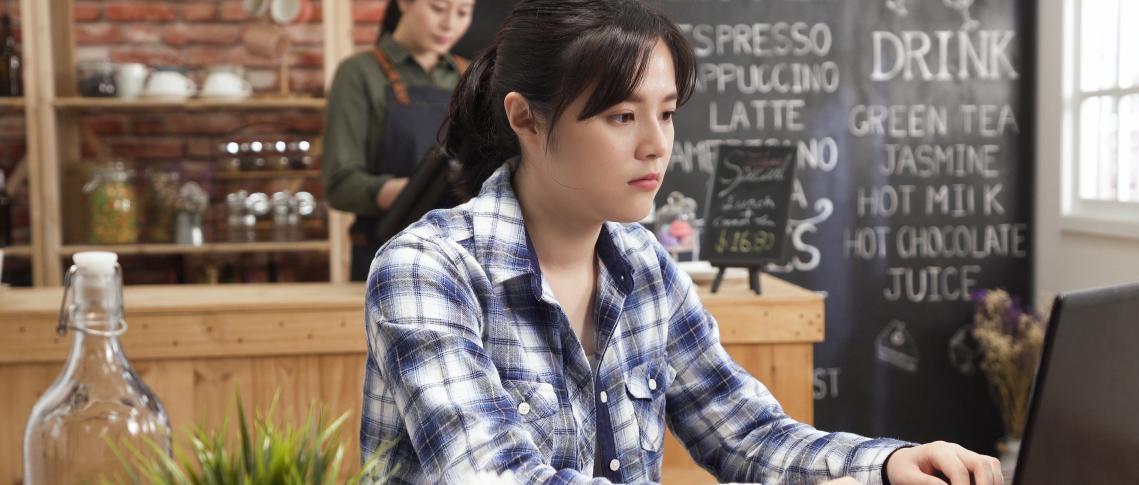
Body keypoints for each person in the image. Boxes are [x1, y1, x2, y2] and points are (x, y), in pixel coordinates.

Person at [359, 0, 1005, 483]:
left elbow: (747, 432)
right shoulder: (426, 269)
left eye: (665, 112)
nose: (657, 143)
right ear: (527, 118)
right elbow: (496, 475)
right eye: (621, 116)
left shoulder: (644, 265)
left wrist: (889, 464)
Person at [321, 0, 475, 280]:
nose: (449, 23)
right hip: (385, 258)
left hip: (461, 260)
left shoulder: (471, 77)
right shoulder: (358, 73)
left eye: (463, 12)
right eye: (438, 8)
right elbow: (339, 184)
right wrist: (411, 193)